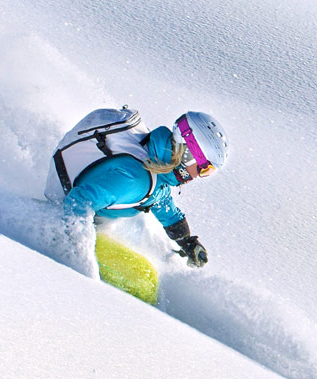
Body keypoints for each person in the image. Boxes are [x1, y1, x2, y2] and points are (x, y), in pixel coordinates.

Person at [47, 107, 229, 268]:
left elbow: (160, 198)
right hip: (68, 219)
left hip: (87, 217)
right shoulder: (136, 180)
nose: (199, 175)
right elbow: (79, 201)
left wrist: (186, 241)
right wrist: (78, 258)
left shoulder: (156, 160)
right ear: (188, 153)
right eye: (204, 168)